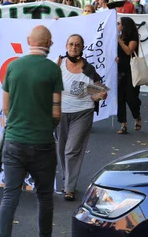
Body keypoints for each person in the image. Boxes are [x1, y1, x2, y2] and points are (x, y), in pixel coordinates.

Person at [0, 26, 63, 237]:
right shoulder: (53, 69)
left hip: (14, 140)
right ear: (49, 43)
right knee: (44, 197)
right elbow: (56, 111)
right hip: (43, 143)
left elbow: (5, 107)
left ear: (28, 41)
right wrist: (46, 127)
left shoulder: (14, 66)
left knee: (10, 196)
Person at [56, 35, 107, 202]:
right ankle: (67, 180)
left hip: (83, 112)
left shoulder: (89, 69)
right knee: (62, 149)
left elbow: (96, 93)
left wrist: (100, 95)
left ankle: (69, 188)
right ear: (66, 45)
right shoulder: (59, 64)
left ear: (82, 47)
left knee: (72, 150)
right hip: (61, 112)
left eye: (77, 44)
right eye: (71, 44)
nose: (74, 47)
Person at [116, 17, 142, 133]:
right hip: (119, 71)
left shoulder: (133, 37)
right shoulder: (119, 37)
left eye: (119, 24)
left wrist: (120, 41)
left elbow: (128, 51)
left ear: (125, 26)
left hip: (131, 72)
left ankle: (137, 117)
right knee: (120, 98)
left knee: (131, 98)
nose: (118, 25)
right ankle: (123, 124)